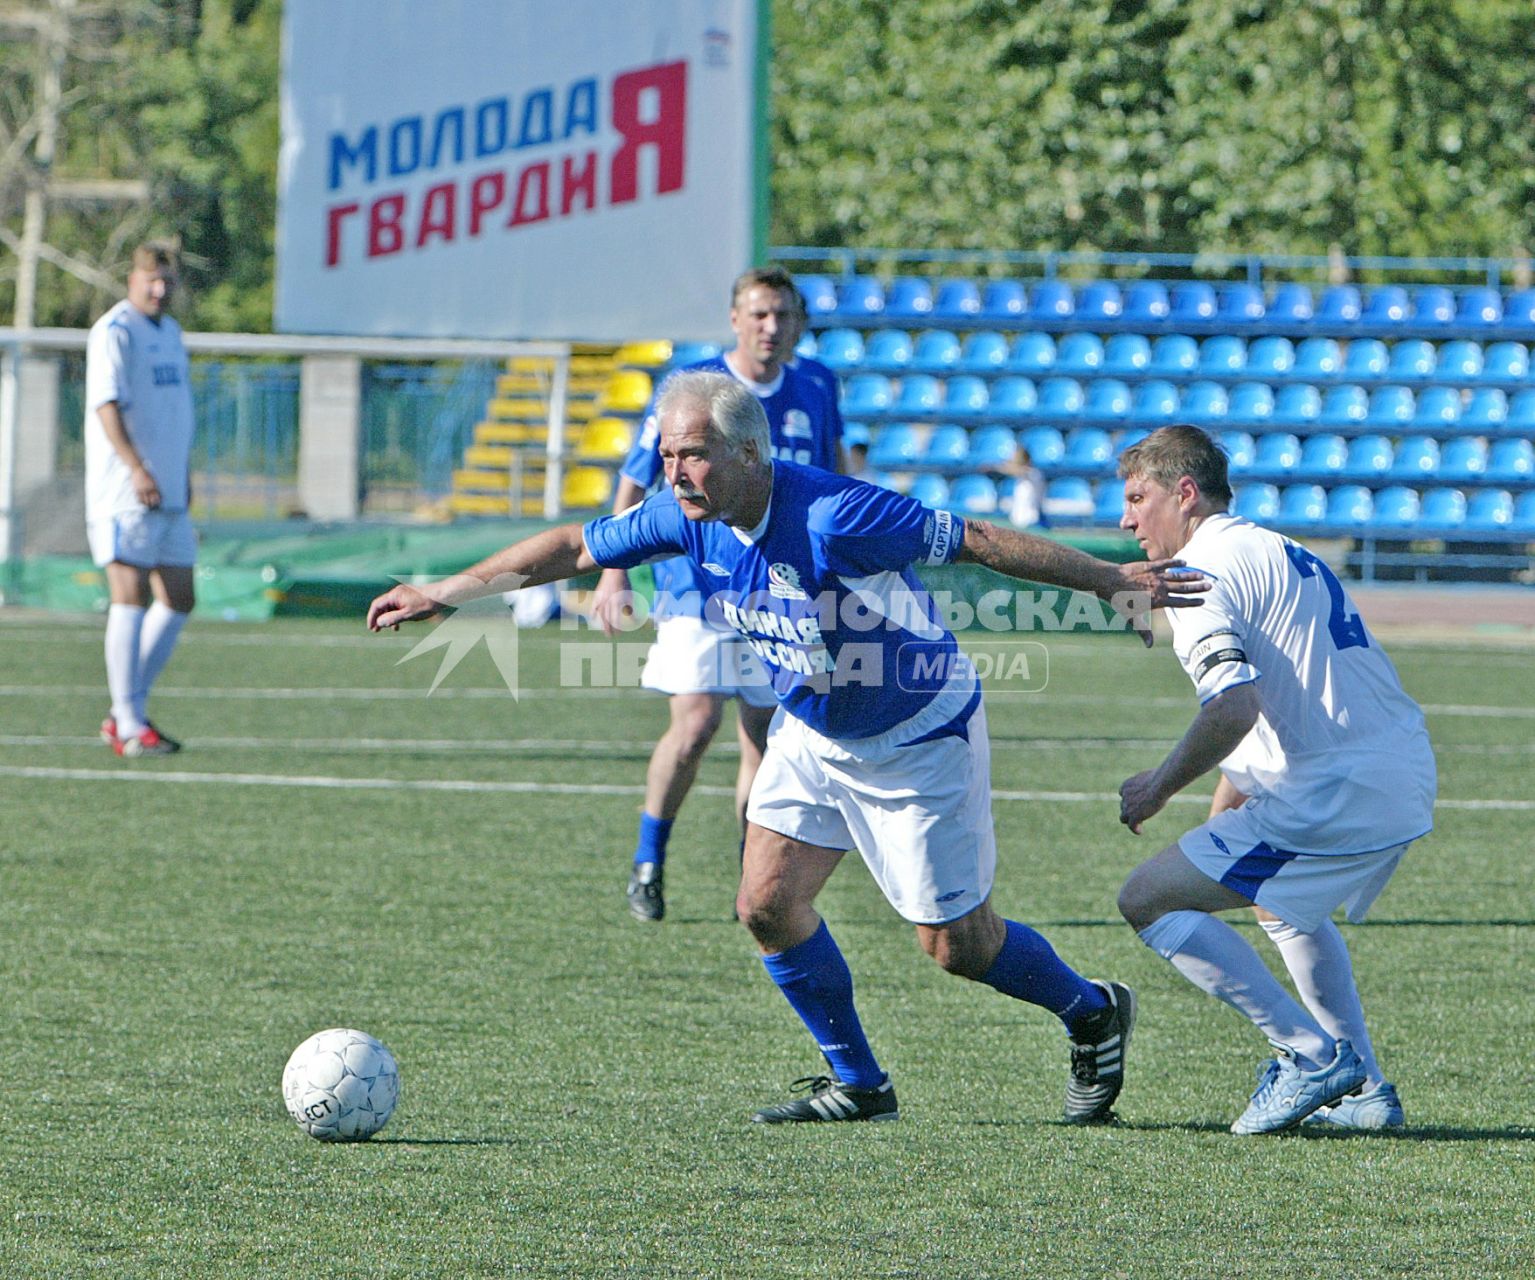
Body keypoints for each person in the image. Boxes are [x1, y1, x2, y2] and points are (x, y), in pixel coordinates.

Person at [369, 370, 1209, 1125]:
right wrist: (449, 592)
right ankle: (860, 1083)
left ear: (746, 452)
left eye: (690, 455)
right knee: (764, 905)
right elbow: (575, 545)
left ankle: (1091, 1011)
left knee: (958, 948)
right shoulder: (686, 517)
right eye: (665, 455)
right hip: (812, 732)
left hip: (917, 739)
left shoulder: (839, 515)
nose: (672, 474)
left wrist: (1106, 577)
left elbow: (979, 540)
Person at [1113, 425, 1435, 1134]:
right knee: (1281, 905)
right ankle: (1366, 1095)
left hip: (1334, 794)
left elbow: (1232, 706)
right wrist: (1219, 815)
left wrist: (1157, 786)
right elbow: (1273, 710)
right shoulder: (1274, 547)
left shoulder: (1198, 574)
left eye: (1138, 498)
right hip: (1398, 768)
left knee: (1145, 899)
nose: (1125, 519)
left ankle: (1310, 1057)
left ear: (1184, 493)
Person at [592, 267, 844, 922]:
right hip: (695, 581)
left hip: (779, 587)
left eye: (784, 314)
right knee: (696, 723)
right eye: (760, 313)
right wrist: (613, 569)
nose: (772, 326)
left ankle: (750, 873)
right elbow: (635, 477)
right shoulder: (693, 385)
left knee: (764, 732)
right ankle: (649, 859)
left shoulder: (816, 385)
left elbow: (833, 476)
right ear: (734, 318)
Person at [84, 242, 198, 758]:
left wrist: (182, 472)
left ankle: (124, 710)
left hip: (170, 487)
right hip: (125, 490)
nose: (159, 289)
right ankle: (130, 722)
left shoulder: (171, 333)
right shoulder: (115, 330)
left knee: (179, 596)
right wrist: (135, 467)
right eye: (151, 278)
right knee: (129, 595)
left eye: (167, 280)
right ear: (130, 277)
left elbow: (175, 414)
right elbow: (106, 404)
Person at [1003, 442, 1046, 529]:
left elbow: (1017, 470)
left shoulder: (1034, 474)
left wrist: (995, 468)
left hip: (1032, 523)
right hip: (1018, 523)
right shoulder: (1020, 478)